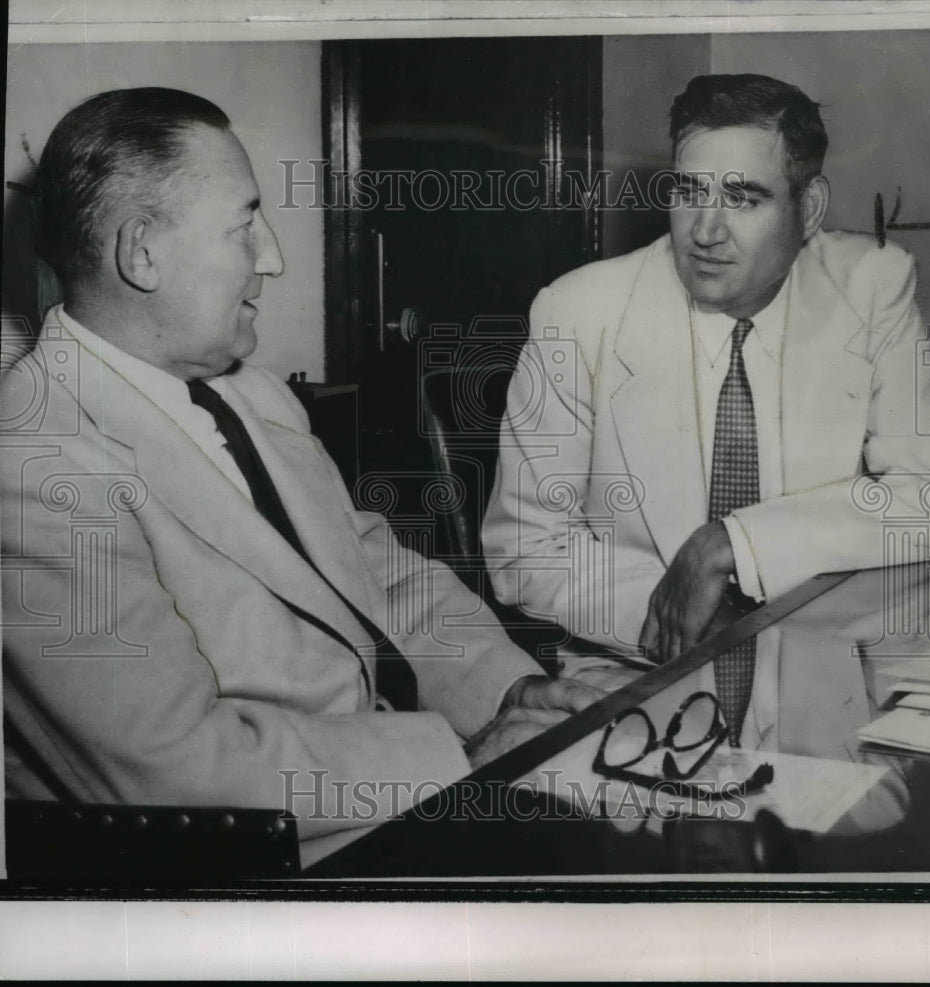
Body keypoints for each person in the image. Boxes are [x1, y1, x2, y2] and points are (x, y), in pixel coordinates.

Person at [0, 87, 601, 866]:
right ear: (140, 252)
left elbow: (382, 582)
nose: (274, 258)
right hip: (255, 874)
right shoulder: (32, 469)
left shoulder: (250, 392)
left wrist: (507, 693)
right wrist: (460, 762)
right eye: (245, 225)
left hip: (405, 801)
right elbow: (179, 771)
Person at [481, 74, 930, 749]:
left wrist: (738, 544)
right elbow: (524, 550)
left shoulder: (871, 285)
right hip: (636, 684)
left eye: (743, 197)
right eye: (688, 191)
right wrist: (698, 603)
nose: (705, 230)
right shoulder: (577, 313)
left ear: (810, 207)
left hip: (832, 686)